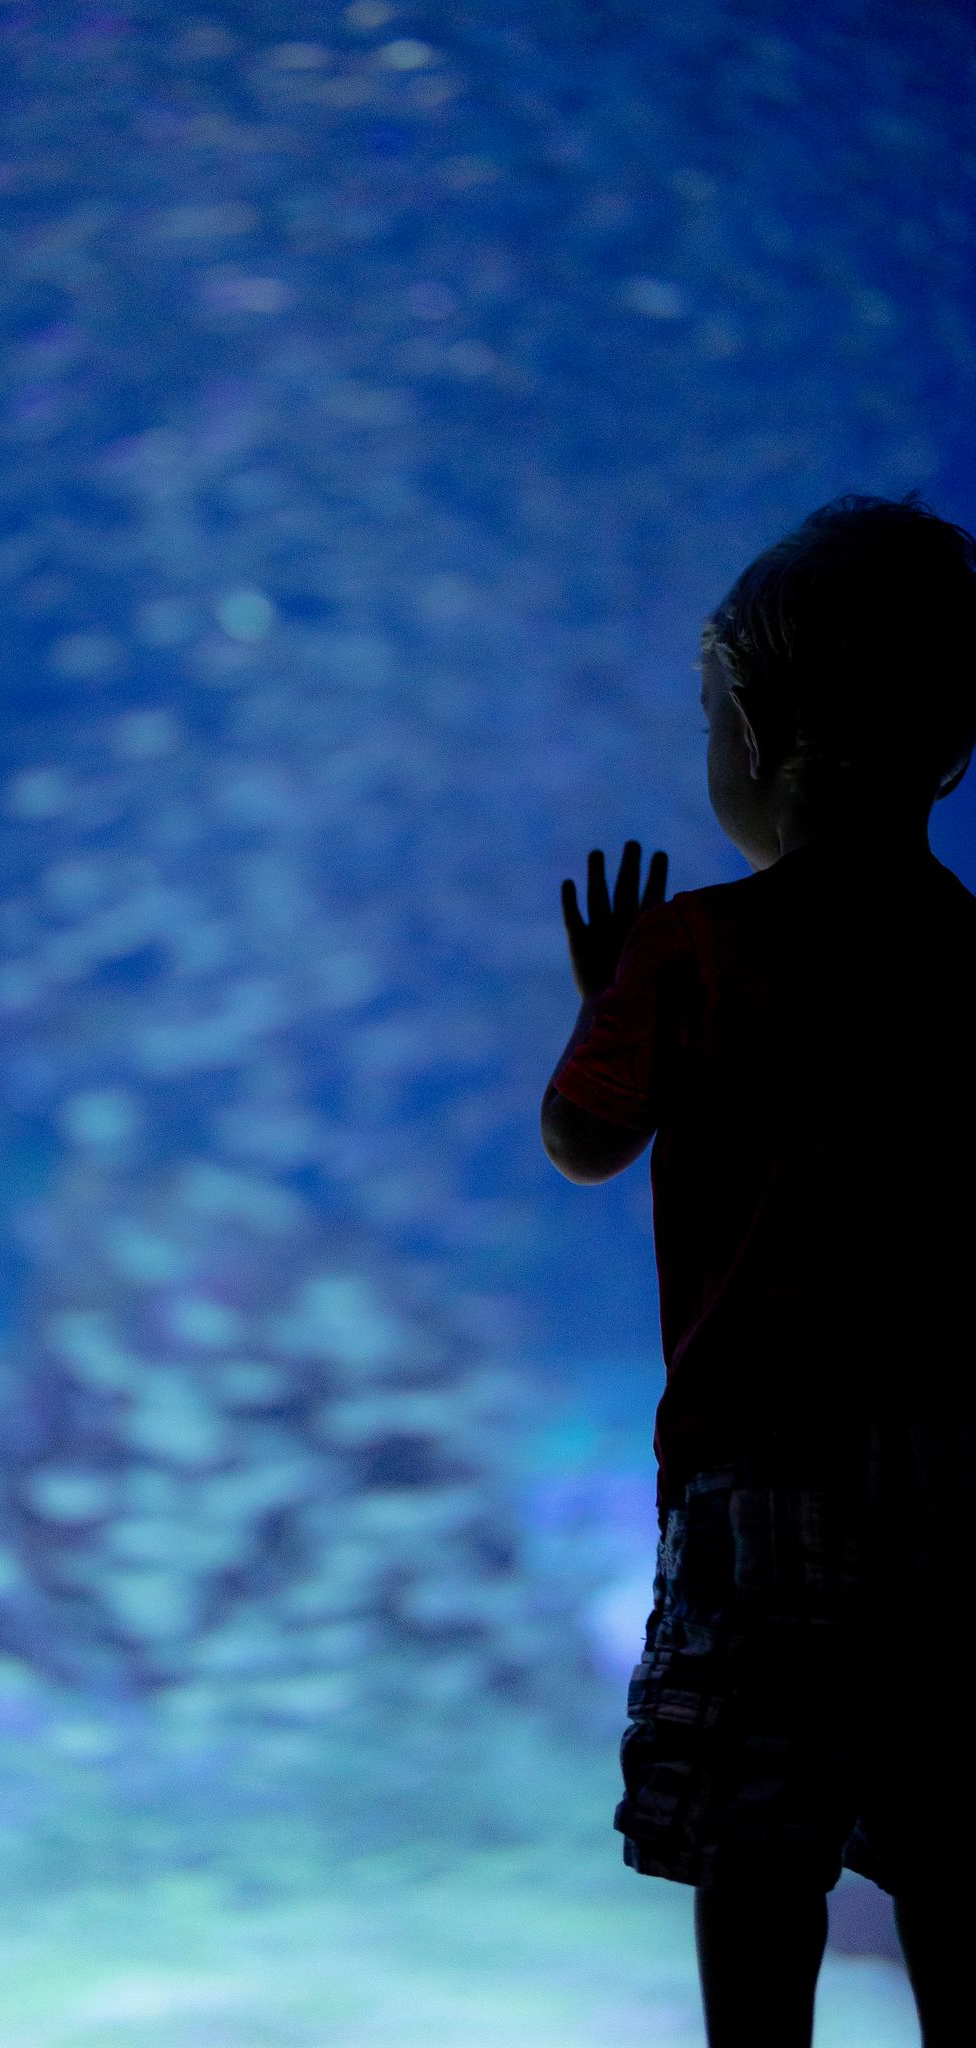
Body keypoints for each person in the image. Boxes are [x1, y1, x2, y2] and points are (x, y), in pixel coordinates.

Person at [540, 489, 976, 2048]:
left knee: (760, 1835)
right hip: (956, 1470)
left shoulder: (697, 947)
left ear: (764, 731)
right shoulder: (968, 953)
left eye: (712, 712)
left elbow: (584, 1139)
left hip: (759, 1474)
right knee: (951, 1829)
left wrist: (608, 998)